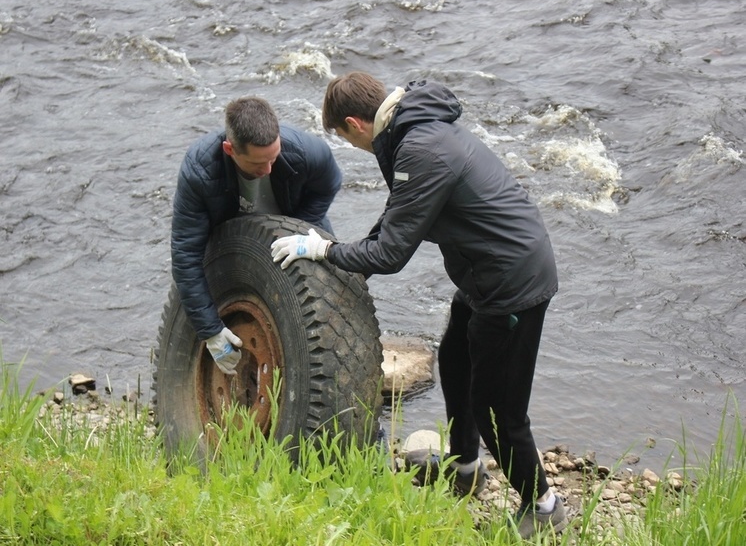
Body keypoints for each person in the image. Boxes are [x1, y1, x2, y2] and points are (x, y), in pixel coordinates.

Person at [270, 72, 567, 538]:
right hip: (486, 272)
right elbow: (399, 215)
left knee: (498, 410)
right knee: (454, 358)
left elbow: (391, 253)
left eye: (347, 139)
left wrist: (325, 252)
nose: (354, 147)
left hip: (511, 284)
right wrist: (341, 262)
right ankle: (467, 468)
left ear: (356, 123)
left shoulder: (419, 149)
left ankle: (544, 506)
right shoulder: (414, 128)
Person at [172, 96, 342, 375]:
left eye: (274, 159)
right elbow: (185, 254)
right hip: (232, 239)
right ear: (230, 149)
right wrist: (210, 330)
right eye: (257, 164)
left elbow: (329, 183)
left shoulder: (306, 151)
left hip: (294, 227)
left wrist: (300, 227)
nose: (267, 170)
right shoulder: (199, 171)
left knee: (326, 308)